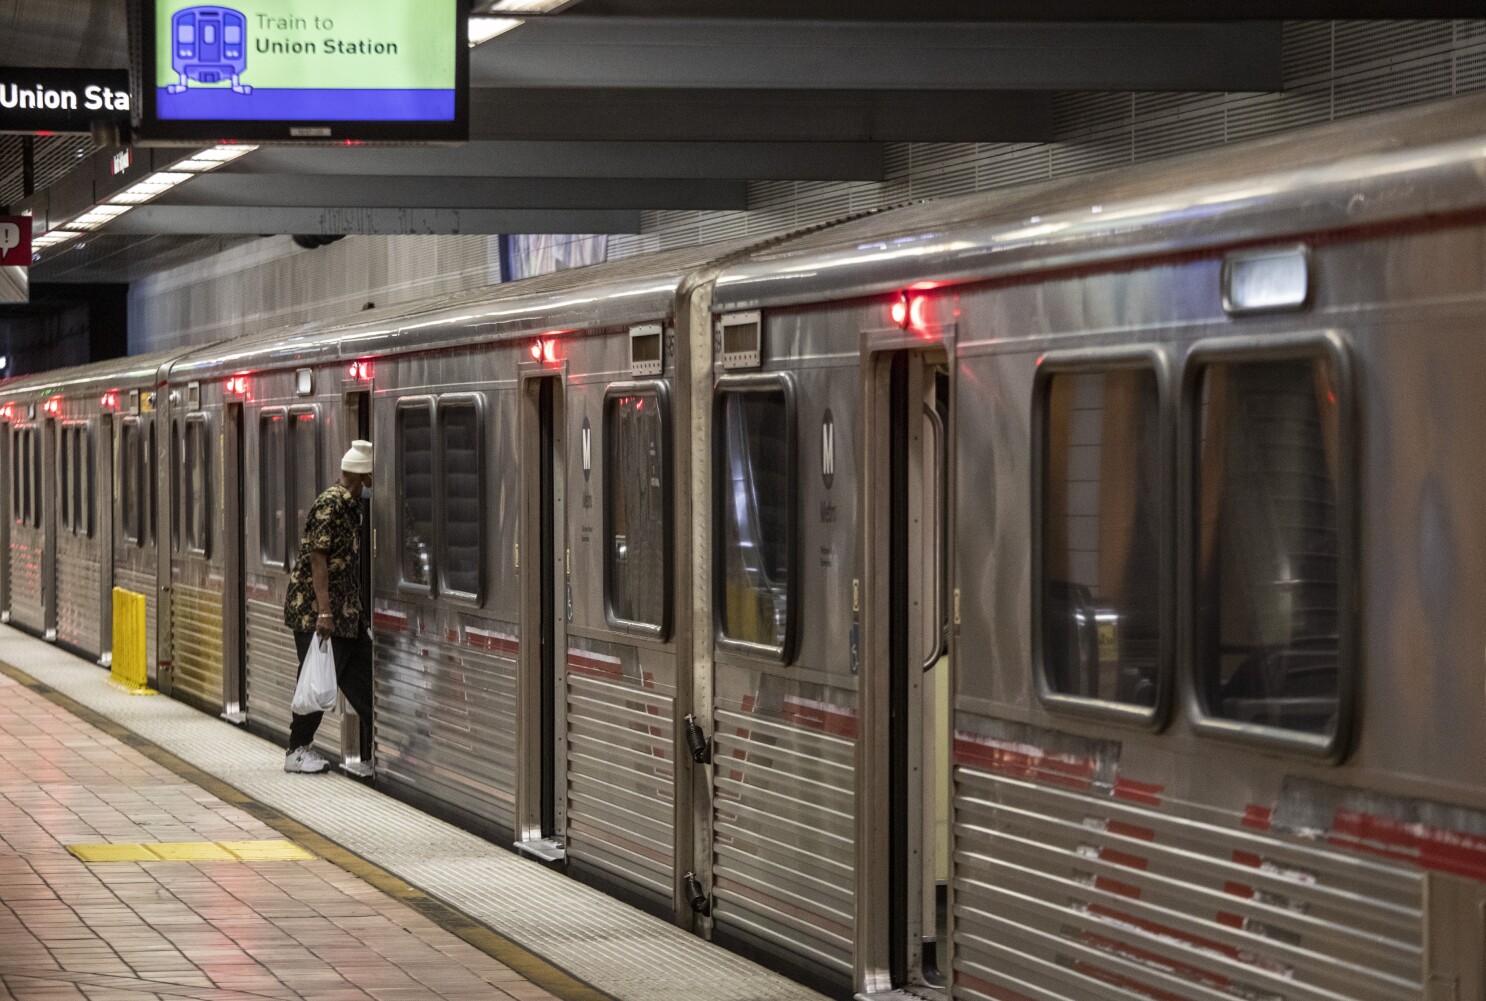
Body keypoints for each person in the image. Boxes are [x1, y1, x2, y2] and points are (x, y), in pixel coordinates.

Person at [281, 440, 375, 773]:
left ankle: (380, 751)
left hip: (347, 614)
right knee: (317, 680)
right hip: (316, 613)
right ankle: (297, 750)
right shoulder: (329, 504)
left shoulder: (352, 505)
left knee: (365, 680)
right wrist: (324, 612)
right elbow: (317, 560)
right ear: (362, 477)